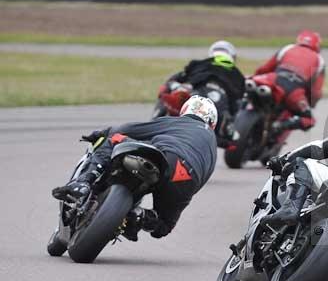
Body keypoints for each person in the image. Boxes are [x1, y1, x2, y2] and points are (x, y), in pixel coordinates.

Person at [52, 96, 218, 241]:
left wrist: (100, 133)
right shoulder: (212, 147)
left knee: (112, 140)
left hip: (167, 156)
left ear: (186, 110)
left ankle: (83, 183)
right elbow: (200, 182)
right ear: (213, 122)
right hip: (187, 179)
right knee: (163, 226)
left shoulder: (177, 122)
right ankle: (139, 217)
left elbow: (127, 129)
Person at [251, 30, 326, 143]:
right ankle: (281, 125)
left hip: (274, 80)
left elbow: (265, 68)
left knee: (250, 84)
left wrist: (256, 76)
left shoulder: (288, 48)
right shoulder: (319, 60)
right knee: (310, 120)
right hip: (294, 91)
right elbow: (315, 92)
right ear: (317, 45)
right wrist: (310, 103)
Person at [160, 40, 245, 119]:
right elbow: (238, 101)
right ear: (232, 56)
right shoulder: (238, 74)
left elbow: (179, 77)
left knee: (170, 94)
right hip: (221, 107)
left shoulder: (199, 64)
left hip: (194, 97)